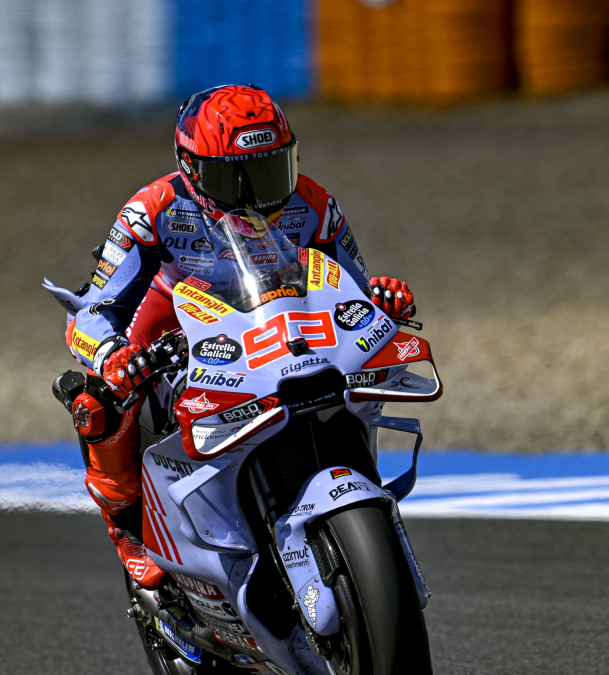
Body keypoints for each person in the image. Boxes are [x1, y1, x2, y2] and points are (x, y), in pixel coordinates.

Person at [55, 84, 417, 585]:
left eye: (270, 171)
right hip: (175, 324)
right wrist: (115, 353)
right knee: (102, 401)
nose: (256, 195)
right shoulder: (151, 210)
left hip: (281, 322)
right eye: (235, 178)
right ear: (192, 167)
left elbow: (352, 286)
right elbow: (90, 310)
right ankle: (129, 528)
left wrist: (380, 301)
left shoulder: (313, 203)